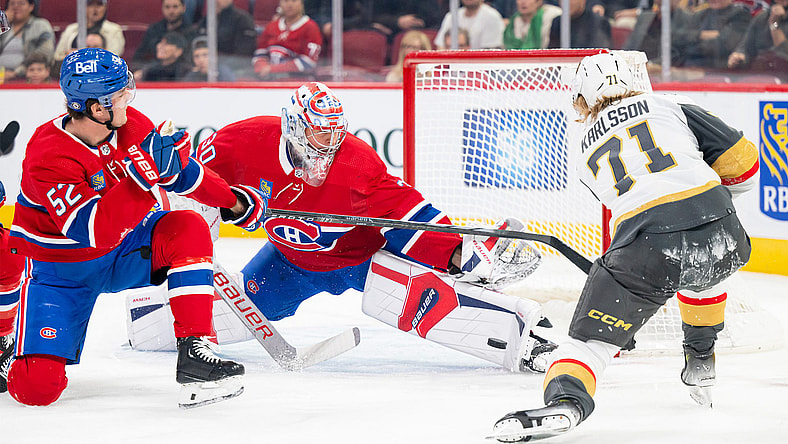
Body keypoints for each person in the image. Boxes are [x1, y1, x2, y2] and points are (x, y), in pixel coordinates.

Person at [125, 82, 559, 374]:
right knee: (168, 328)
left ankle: (523, 338)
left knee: (413, 299)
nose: (328, 148)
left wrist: (457, 254)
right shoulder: (242, 142)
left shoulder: (356, 164)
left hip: (359, 260)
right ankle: (148, 314)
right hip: (287, 261)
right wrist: (194, 232)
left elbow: (408, 216)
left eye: (334, 137)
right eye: (318, 138)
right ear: (294, 125)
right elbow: (198, 185)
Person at [490, 52, 758, 441]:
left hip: (647, 244)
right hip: (725, 233)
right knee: (704, 263)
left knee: (588, 345)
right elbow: (745, 164)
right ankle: (701, 353)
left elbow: (633, 204)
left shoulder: (584, 150)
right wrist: (713, 203)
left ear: (582, 99)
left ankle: (566, 401)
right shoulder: (670, 107)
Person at [4, 48, 269, 408]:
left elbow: (182, 171)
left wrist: (233, 202)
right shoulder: (47, 154)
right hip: (61, 273)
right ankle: (16, 345)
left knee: (187, 226)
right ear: (96, 108)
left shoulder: (130, 125)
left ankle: (196, 349)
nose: (129, 97)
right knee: (34, 390)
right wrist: (142, 181)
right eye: (119, 94)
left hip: (127, 251)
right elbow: (93, 231)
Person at [252, 0, 322, 81]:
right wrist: (261, 66)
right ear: (280, 3)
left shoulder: (311, 28)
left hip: (299, 81)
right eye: (286, 1)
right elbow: (260, 53)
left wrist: (273, 69)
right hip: (270, 80)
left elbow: (309, 62)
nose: (290, 4)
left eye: (294, 1)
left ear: (301, 3)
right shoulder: (271, 26)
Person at [682, 0, 751, 70]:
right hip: (691, 68)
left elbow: (723, 46)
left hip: (721, 70)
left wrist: (694, 40)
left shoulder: (740, 16)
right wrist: (703, 35)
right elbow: (682, 41)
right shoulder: (700, 15)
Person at [53, 0, 125, 67]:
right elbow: (57, 56)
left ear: (105, 8)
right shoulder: (70, 29)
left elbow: (114, 58)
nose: (95, 9)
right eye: (90, 5)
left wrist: (78, 55)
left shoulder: (114, 30)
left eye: (99, 5)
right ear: (83, 7)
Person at [624, 0, 694, 66]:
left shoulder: (685, 19)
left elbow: (677, 55)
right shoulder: (644, 17)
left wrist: (649, 65)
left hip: (657, 70)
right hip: (634, 66)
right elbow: (629, 46)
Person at [728, 0, 788, 75]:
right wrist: (739, 56)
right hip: (759, 74)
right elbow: (745, 47)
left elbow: (785, 53)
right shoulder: (761, 18)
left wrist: (774, 23)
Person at [132, 0, 196, 70]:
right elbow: (139, 56)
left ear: (184, 8)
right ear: (162, 8)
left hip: (180, 76)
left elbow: (191, 61)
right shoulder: (154, 29)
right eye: (167, 7)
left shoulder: (191, 32)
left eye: (175, 7)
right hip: (153, 74)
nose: (171, 11)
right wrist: (140, 70)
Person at [0, 0, 55, 82]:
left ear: (31, 7)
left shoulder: (41, 25)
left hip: (28, 77)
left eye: (21, 3)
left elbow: (45, 53)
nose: (16, 7)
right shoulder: (3, 26)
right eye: (12, 3)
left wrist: (16, 73)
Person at [194, 0, 256, 70]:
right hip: (204, 69)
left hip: (233, 71)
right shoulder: (206, 21)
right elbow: (196, 47)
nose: (215, 1)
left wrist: (218, 64)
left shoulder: (243, 20)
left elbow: (243, 55)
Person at [434, 0, 505, 49]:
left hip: (482, 67)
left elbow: (492, 49)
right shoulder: (451, 16)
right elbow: (441, 46)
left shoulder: (492, 16)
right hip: (451, 65)